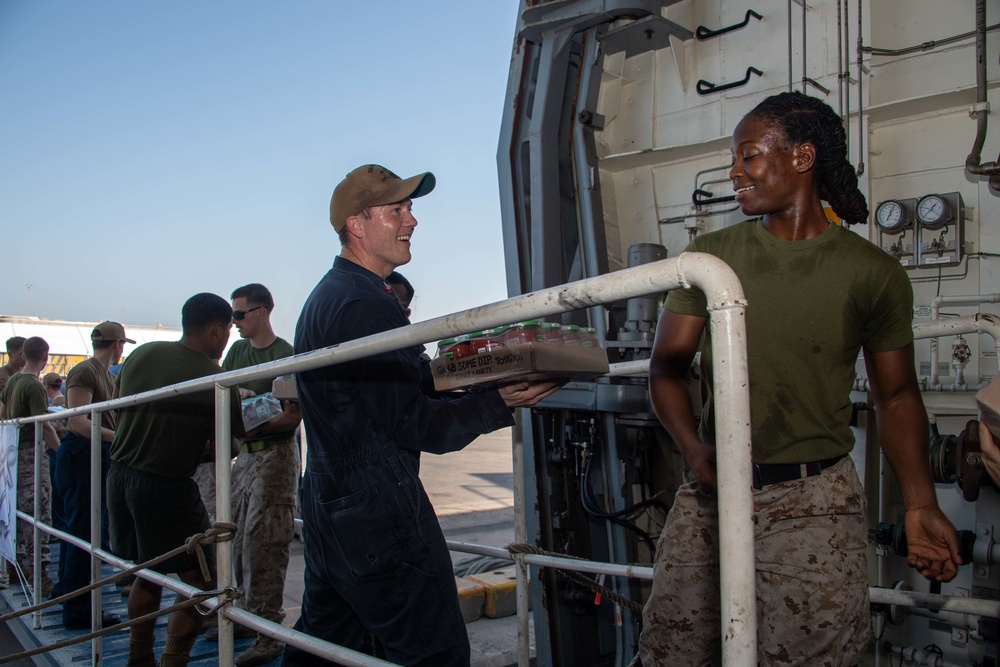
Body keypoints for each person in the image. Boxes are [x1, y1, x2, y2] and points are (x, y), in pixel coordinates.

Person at [633, 91, 961, 666]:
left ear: (803, 157)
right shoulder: (710, 257)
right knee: (670, 652)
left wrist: (919, 504)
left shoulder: (872, 274)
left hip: (816, 499)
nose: (735, 173)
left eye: (749, 156)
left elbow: (897, 394)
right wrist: (694, 450)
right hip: (712, 492)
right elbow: (665, 368)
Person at [284, 164, 564, 667]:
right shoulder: (366, 305)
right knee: (434, 650)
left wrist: (473, 376)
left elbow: (386, 396)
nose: (412, 220)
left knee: (326, 646)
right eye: (397, 210)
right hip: (375, 505)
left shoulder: (330, 295)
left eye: (410, 208)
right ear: (357, 223)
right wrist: (503, 400)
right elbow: (417, 425)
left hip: (329, 499)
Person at [107, 294, 243, 667]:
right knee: (204, 581)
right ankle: (173, 661)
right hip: (164, 486)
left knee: (147, 572)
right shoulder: (212, 377)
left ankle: (139, 657)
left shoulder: (142, 353)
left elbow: (121, 406)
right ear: (217, 329)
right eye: (228, 330)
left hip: (119, 474)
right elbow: (227, 443)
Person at [211, 283, 301, 666]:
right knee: (235, 539)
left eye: (240, 314)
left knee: (265, 543)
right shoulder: (237, 352)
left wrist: (252, 424)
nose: (235, 322)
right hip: (246, 457)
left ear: (262, 312)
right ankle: (247, 616)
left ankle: (269, 632)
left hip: (276, 456)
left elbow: (294, 413)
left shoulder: (285, 354)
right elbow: (225, 398)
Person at [54, 322, 133, 629]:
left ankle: (67, 594)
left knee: (82, 529)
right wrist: (121, 438)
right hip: (83, 453)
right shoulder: (86, 371)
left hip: (91, 453)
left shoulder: (97, 372)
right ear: (118, 345)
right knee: (83, 531)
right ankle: (77, 611)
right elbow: (78, 423)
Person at [0, 336, 59, 596]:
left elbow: (3, 412)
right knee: (39, 512)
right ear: (46, 358)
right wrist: (61, 447)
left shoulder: (13, 381)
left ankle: (17, 564)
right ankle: (40, 575)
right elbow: (42, 424)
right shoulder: (34, 386)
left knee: (18, 512)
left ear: (23, 355)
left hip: (13, 454)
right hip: (31, 455)